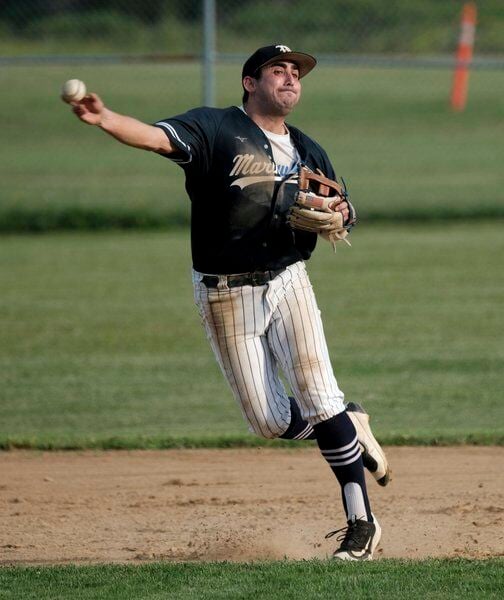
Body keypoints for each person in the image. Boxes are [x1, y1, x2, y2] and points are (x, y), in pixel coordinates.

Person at [68, 44, 390, 561]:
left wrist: (339, 211)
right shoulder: (215, 129)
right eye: (278, 71)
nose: (290, 79)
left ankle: (361, 523)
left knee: (318, 393)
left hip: (287, 279)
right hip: (223, 291)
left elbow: (343, 206)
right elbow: (155, 139)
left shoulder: (309, 150)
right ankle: (348, 423)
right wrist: (105, 118)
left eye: (296, 73)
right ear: (249, 82)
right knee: (267, 421)